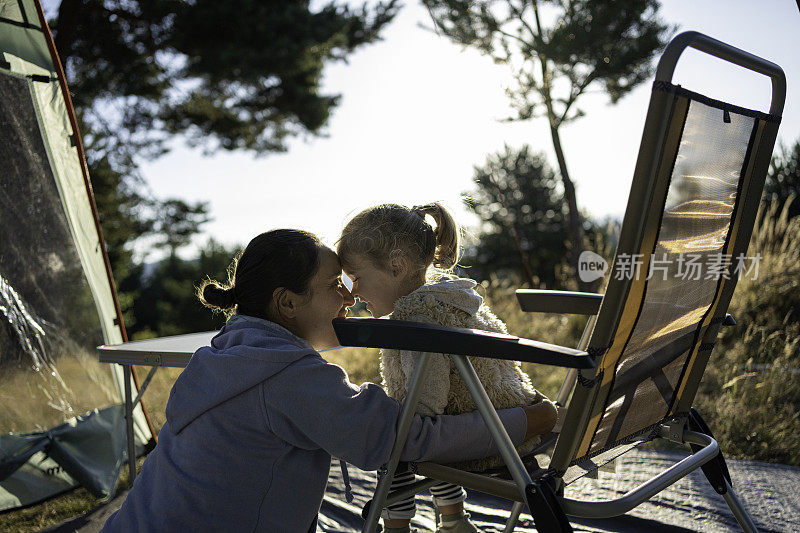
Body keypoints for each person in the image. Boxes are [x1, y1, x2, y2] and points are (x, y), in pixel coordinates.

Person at [101, 229, 549, 532]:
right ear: (288, 304)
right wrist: (528, 420)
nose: (350, 297)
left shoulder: (217, 357)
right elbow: (405, 437)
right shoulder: (288, 378)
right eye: (335, 283)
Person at [337, 204, 558, 533]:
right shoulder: (449, 298)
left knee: (396, 439)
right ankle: (454, 520)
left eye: (356, 278)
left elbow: (425, 405)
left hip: (491, 437)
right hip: (510, 418)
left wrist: (387, 413)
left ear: (397, 267)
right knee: (419, 429)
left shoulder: (416, 322)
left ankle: (398, 528)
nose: (353, 293)